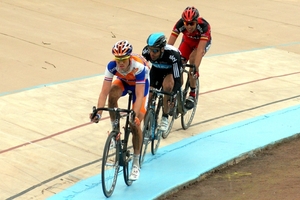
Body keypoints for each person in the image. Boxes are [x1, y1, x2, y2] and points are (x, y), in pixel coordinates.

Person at [90, 40, 150, 181]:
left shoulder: (139, 67)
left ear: (129, 58)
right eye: (118, 59)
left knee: (135, 124)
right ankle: (115, 130)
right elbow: (104, 92)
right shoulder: (112, 66)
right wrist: (98, 113)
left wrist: (134, 116)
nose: (120, 63)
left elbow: (140, 95)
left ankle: (136, 163)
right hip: (123, 82)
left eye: (123, 59)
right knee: (112, 95)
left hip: (140, 86)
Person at [168, 6, 212, 109]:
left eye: (191, 23)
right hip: (187, 42)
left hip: (200, 43)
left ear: (196, 21)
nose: (189, 26)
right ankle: (178, 88)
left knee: (193, 60)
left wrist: (195, 68)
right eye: (186, 23)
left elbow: (200, 50)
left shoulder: (204, 26)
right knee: (178, 62)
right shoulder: (179, 24)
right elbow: (169, 46)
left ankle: (192, 93)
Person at [142, 32, 182, 132]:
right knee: (149, 95)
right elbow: (142, 71)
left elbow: (178, 79)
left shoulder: (173, 55)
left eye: (155, 50)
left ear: (162, 49)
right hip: (156, 70)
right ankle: (146, 124)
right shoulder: (146, 52)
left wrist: (172, 94)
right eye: (150, 50)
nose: (152, 53)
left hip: (170, 71)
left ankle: (165, 117)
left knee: (167, 87)